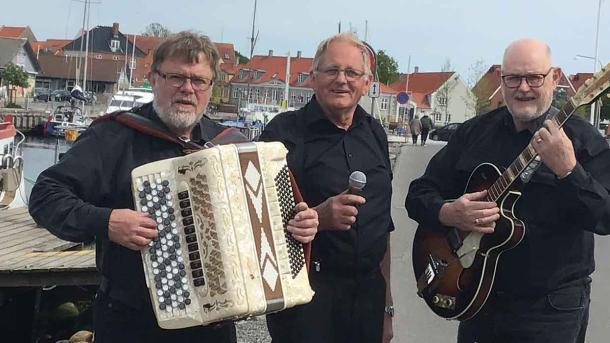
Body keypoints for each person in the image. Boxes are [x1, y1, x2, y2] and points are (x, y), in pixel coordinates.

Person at [28, 32, 318, 343]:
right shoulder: (112, 137)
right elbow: (45, 195)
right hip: (131, 322)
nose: (188, 89)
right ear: (153, 78)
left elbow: (270, 222)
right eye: (176, 77)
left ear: (210, 87)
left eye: (199, 80)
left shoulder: (232, 144)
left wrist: (298, 225)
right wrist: (107, 222)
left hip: (215, 329)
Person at [406, 38, 610, 343]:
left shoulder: (584, 142)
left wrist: (569, 170)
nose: (522, 87)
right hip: (478, 299)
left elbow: (605, 217)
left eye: (533, 77)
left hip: (550, 311)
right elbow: (419, 193)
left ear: (555, 78)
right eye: (513, 78)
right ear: (501, 80)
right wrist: (449, 213)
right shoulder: (475, 132)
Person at [259, 32, 395, 343]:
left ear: (366, 82)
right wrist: (319, 218)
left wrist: (387, 308)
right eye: (332, 71)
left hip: (367, 298)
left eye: (351, 73)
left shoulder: (374, 133)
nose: (341, 80)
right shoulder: (283, 133)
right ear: (313, 78)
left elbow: (383, 228)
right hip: (307, 297)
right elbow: (253, 222)